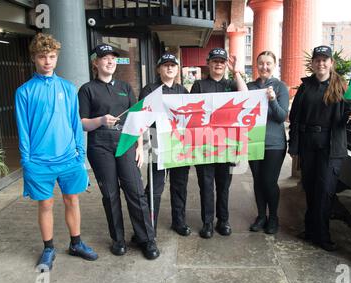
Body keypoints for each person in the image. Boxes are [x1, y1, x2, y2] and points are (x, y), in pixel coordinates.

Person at [15, 33, 98, 272]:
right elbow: (23, 130)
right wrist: (26, 161)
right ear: (34, 58)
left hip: (69, 158)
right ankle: (49, 248)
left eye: (51, 56)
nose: (47, 61)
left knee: (72, 200)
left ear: (57, 57)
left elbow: (75, 123)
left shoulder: (68, 88)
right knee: (46, 205)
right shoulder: (24, 92)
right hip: (39, 162)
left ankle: (76, 243)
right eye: (42, 57)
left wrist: (80, 155)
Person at [78, 44, 159, 260]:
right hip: (100, 144)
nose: (110, 61)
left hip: (125, 140)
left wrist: (140, 147)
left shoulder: (125, 87)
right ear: (96, 62)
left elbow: (137, 119)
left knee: (135, 190)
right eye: (104, 58)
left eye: (113, 58)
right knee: (110, 194)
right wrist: (101, 120)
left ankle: (146, 239)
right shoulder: (87, 89)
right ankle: (118, 239)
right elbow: (83, 124)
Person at [288, 45, 351, 251]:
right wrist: (295, 146)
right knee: (309, 188)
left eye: (325, 59)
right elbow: (295, 118)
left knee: (325, 191)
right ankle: (310, 231)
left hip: (330, 144)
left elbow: (347, 120)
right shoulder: (306, 86)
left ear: (331, 63)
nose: (321, 63)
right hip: (309, 143)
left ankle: (323, 236)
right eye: (317, 59)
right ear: (313, 63)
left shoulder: (342, 87)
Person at [190, 48, 248, 238]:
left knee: (223, 186)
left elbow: (246, 96)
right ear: (208, 63)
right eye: (215, 61)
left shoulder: (232, 84)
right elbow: (191, 115)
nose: (218, 64)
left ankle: (223, 220)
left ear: (226, 65)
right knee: (205, 186)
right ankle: (207, 223)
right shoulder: (198, 85)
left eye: (222, 61)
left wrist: (237, 72)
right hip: (204, 144)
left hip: (227, 145)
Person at [139, 52, 192, 237]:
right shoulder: (149, 90)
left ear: (177, 69)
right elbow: (143, 118)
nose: (169, 68)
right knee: (155, 188)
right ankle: (148, 226)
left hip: (180, 146)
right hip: (158, 146)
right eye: (165, 65)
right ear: (159, 69)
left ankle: (179, 222)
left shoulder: (183, 91)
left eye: (173, 65)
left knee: (180, 186)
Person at [247, 51, 289, 234]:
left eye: (268, 63)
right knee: (257, 181)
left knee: (269, 181)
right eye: (261, 63)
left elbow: (281, 117)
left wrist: (272, 100)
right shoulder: (250, 86)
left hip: (274, 143)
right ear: (256, 65)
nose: (264, 67)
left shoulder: (280, 87)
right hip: (253, 141)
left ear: (274, 65)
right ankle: (261, 216)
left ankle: (273, 217)